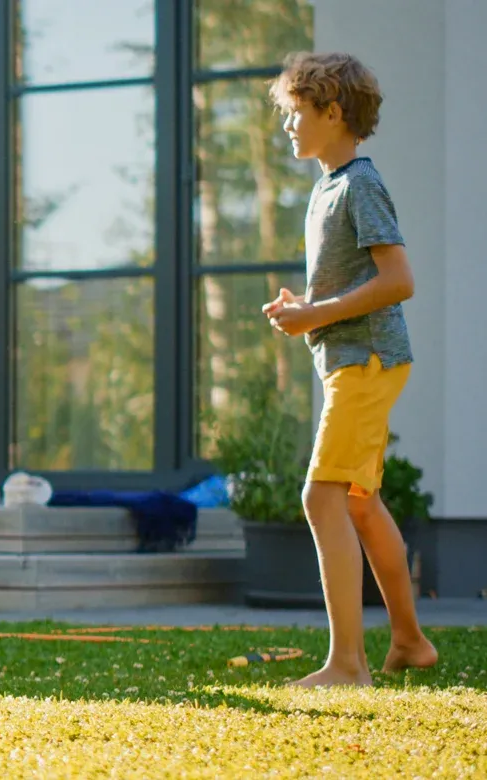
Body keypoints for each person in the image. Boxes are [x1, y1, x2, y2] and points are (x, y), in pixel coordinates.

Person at [261, 51, 437, 687]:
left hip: (367, 359)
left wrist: (319, 315)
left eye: (295, 114)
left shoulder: (361, 183)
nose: (287, 126)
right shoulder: (329, 184)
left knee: (320, 497)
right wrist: (309, 309)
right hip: (354, 357)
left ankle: (347, 664)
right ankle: (411, 643)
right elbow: (361, 281)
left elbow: (398, 280)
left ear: (333, 113)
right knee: (361, 504)